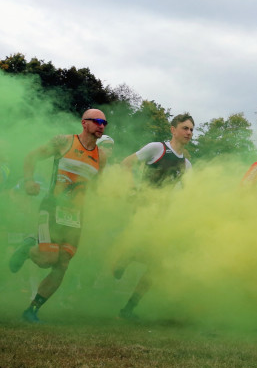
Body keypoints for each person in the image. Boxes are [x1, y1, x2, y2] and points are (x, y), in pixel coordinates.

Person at [8, 109, 109, 322]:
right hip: (53, 207)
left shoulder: (102, 156)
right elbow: (32, 156)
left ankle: (32, 309)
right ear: (84, 123)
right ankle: (28, 246)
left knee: (63, 263)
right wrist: (28, 181)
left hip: (76, 216)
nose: (102, 126)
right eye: (98, 121)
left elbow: (95, 185)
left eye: (104, 123)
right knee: (47, 258)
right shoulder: (64, 142)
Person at [115, 114, 194, 320]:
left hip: (163, 217)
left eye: (192, 130)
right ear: (173, 130)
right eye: (185, 128)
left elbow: (189, 194)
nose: (189, 133)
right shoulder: (157, 148)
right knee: (145, 251)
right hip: (143, 210)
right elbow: (126, 163)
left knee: (157, 266)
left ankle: (129, 307)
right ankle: (125, 258)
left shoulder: (187, 165)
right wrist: (132, 188)